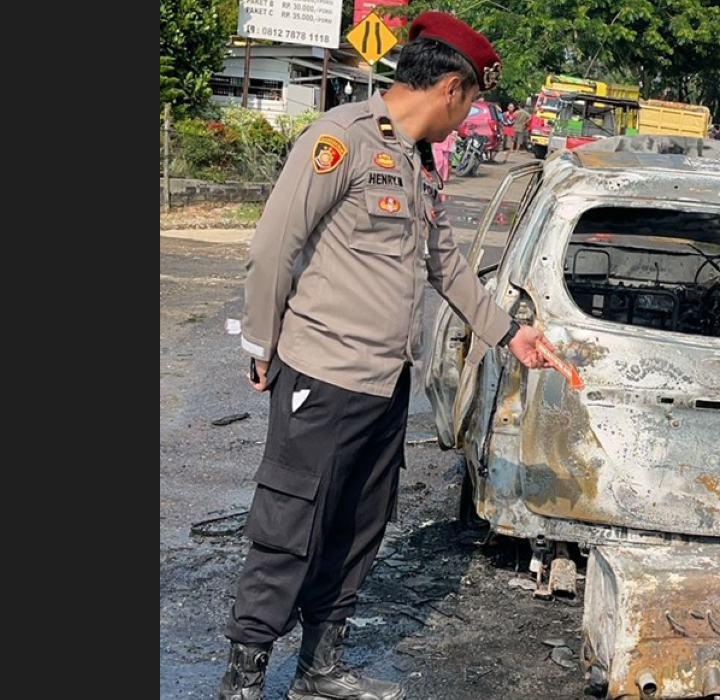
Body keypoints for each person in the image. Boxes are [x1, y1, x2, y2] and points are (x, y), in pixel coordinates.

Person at [218, 12, 555, 700]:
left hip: (382, 382)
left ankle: (320, 669)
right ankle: (243, 678)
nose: (465, 125)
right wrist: (260, 342)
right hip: (321, 372)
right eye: (470, 108)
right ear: (452, 89)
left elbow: (441, 260)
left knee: (358, 524)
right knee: (291, 523)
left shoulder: (416, 159)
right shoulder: (339, 139)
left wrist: (504, 330)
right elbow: (273, 246)